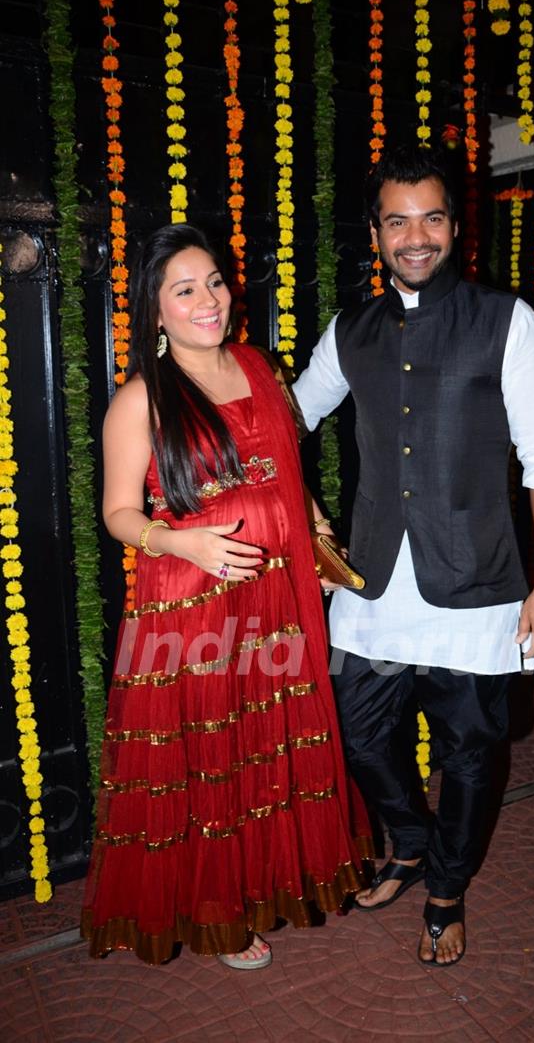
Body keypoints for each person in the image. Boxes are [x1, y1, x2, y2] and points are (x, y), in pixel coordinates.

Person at [293, 144, 534, 967]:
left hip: (480, 584)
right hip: (373, 586)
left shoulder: (506, 321)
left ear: (455, 224)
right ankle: (409, 842)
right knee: (358, 732)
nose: (416, 236)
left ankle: (446, 888)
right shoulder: (352, 331)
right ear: (375, 233)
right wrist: (304, 510)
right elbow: (286, 418)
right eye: (397, 220)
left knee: (471, 757)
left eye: (432, 217)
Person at [81, 223, 371, 969]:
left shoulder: (257, 367)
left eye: (214, 281)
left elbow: (282, 462)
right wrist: (182, 542)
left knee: (264, 744)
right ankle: (220, 913)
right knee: (210, 754)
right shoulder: (140, 400)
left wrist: (306, 513)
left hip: (275, 596)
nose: (208, 299)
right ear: (155, 312)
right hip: (192, 608)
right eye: (185, 289)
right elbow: (118, 513)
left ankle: (265, 883)